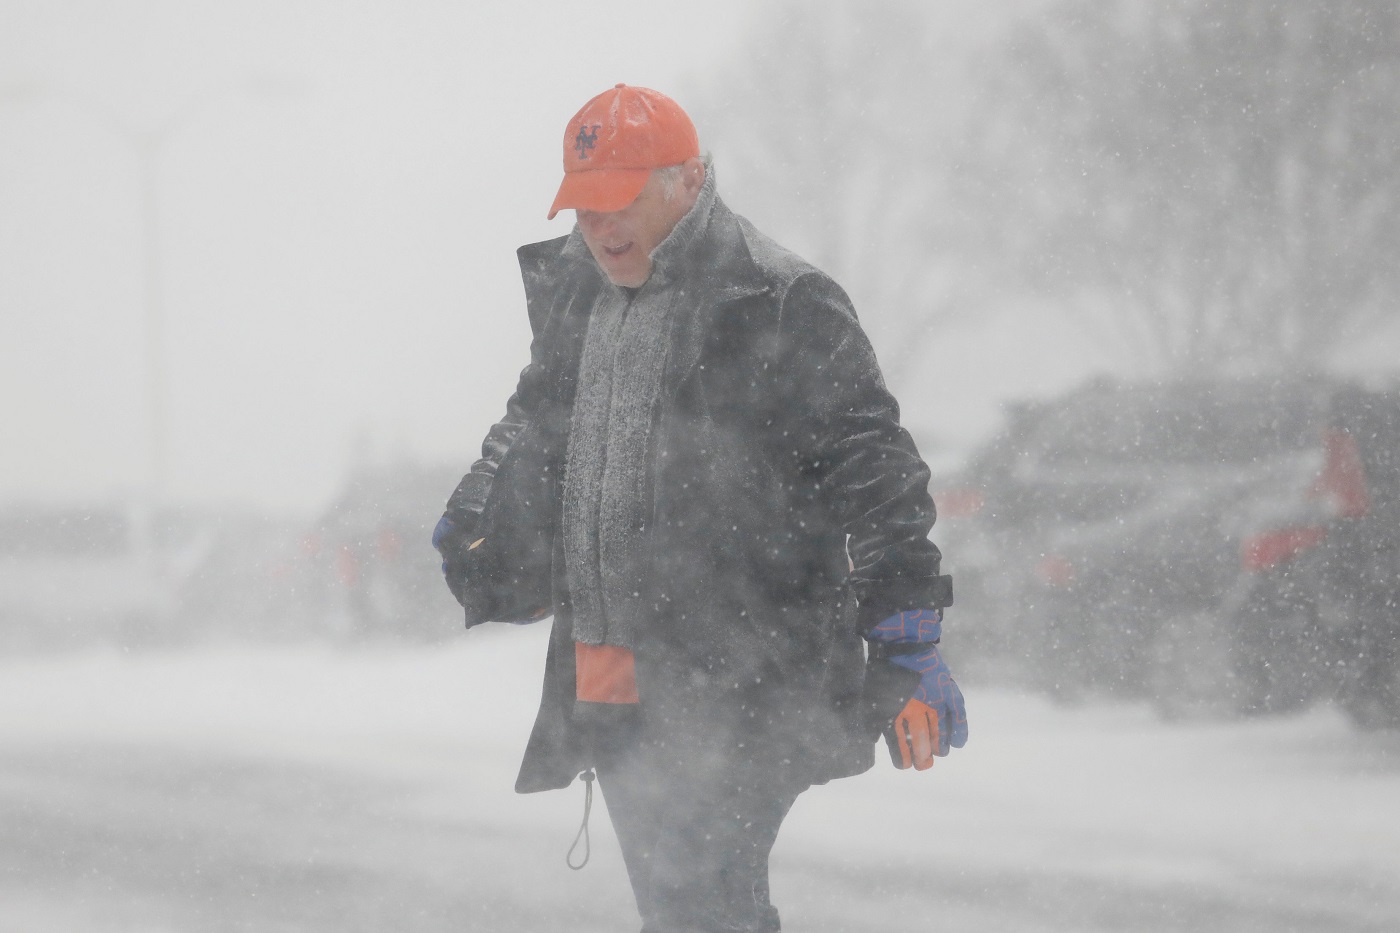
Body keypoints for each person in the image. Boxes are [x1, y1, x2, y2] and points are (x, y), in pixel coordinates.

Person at [433, 83, 967, 933]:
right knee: (688, 907)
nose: (600, 227)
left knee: (700, 902)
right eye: (584, 206)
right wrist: (478, 515)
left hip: (741, 674)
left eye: (621, 199)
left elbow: (879, 473)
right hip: (611, 679)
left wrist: (909, 634)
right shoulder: (581, 297)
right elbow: (533, 418)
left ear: (687, 180)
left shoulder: (780, 299)